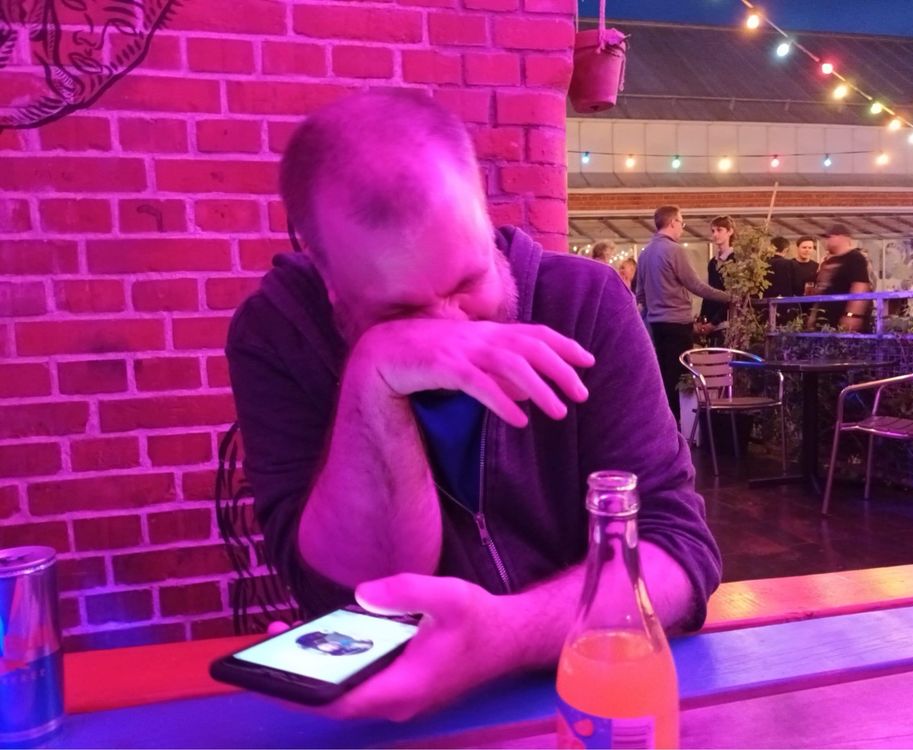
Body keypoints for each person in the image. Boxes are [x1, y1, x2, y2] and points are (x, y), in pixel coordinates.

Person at [226, 90, 721, 721]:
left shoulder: (585, 303)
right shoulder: (277, 336)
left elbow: (678, 552)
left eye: (468, 282)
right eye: (400, 311)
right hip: (394, 721)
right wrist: (373, 377)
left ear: (485, 219)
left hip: (588, 687)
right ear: (331, 285)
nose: (450, 332)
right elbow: (347, 594)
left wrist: (503, 634)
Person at [635, 205, 732, 421]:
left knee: (664, 376)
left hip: (656, 325)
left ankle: (665, 424)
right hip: (678, 323)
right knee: (680, 378)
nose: (682, 228)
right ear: (672, 223)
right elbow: (695, 285)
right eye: (681, 222)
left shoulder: (645, 253)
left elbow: (640, 295)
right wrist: (729, 297)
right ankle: (679, 427)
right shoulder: (674, 250)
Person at [807, 224, 871, 331]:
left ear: (841, 237)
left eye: (829, 237)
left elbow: (860, 287)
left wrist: (852, 315)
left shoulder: (855, 258)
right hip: (827, 320)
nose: (826, 241)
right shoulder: (830, 261)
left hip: (842, 319)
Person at [695, 215, 737, 345]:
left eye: (719, 230)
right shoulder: (713, 262)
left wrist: (714, 322)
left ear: (730, 231)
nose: (715, 234)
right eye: (713, 231)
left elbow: (732, 295)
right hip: (712, 321)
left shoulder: (735, 260)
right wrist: (702, 318)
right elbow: (709, 291)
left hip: (727, 321)